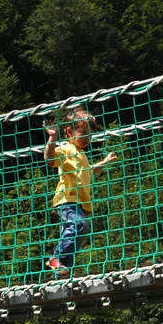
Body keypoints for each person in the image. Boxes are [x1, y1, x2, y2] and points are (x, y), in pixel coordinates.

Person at [43, 107, 117, 277]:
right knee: (79, 225)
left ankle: (62, 269)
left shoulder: (81, 154)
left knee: (81, 230)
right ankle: (56, 258)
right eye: (83, 133)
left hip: (79, 203)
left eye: (90, 135)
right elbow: (49, 158)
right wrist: (52, 137)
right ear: (69, 131)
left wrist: (105, 162)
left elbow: (90, 171)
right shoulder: (66, 149)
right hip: (67, 199)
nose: (87, 138)